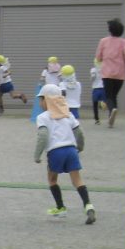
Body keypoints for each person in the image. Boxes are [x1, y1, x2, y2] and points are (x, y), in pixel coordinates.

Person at [34, 84, 96, 225]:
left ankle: (60, 207)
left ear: (47, 100)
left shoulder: (42, 117)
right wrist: (80, 147)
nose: (40, 103)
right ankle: (88, 205)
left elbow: (43, 135)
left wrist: (37, 155)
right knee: (77, 180)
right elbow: (79, 133)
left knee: (52, 179)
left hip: (55, 151)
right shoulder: (68, 114)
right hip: (71, 150)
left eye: (41, 99)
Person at [95, 18, 125, 128]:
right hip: (120, 75)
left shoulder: (104, 41)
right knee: (114, 95)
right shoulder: (124, 42)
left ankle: (112, 110)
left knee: (108, 96)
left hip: (107, 73)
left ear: (110, 30)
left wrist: (103, 58)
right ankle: (112, 116)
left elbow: (98, 57)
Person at [89, 59, 107, 125]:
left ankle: (97, 119)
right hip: (103, 87)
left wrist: (93, 75)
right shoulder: (105, 69)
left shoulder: (93, 70)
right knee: (104, 100)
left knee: (95, 104)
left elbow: (92, 78)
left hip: (96, 88)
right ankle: (103, 103)